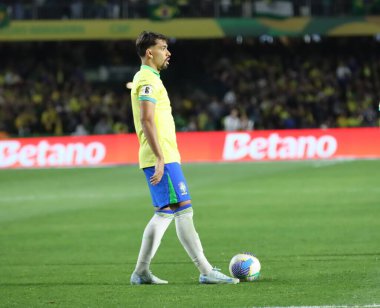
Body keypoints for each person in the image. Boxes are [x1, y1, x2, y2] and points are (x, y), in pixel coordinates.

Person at [129, 31, 239, 285]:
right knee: (183, 210)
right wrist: (159, 157)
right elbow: (146, 119)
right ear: (149, 52)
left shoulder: (148, 78)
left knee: (165, 213)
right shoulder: (147, 79)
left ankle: (141, 271)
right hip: (161, 157)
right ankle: (205, 270)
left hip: (162, 155)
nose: (168, 53)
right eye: (163, 48)